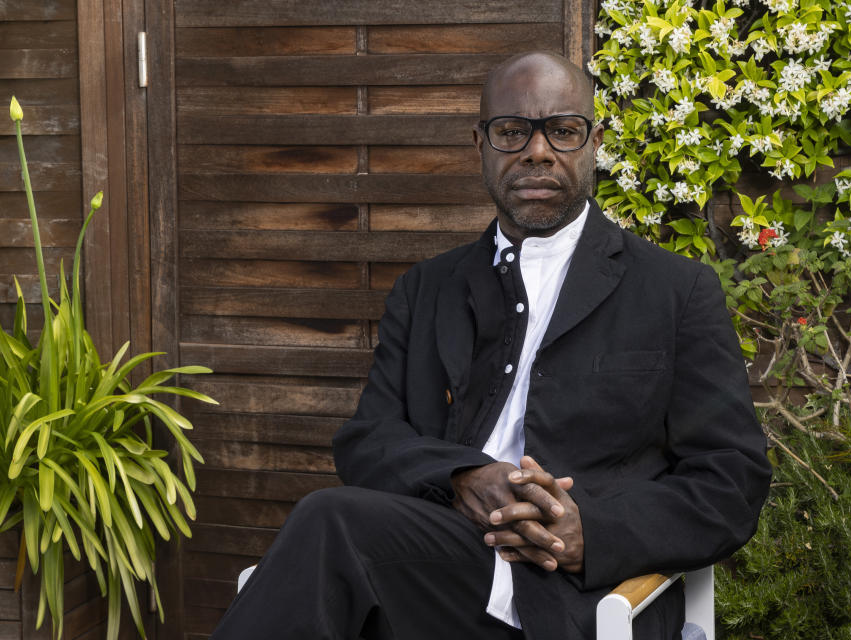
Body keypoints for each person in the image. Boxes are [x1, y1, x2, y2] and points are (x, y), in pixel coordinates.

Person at [209, 51, 770, 640]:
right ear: (478, 143)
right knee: (332, 527)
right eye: (511, 132)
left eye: (562, 129)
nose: (537, 151)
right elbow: (368, 440)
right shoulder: (426, 289)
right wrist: (465, 475)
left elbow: (731, 480)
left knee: (328, 534)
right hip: (444, 566)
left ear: (594, 141)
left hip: (585, 599)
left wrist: (593, 533)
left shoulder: (675, 291)